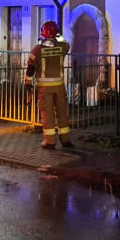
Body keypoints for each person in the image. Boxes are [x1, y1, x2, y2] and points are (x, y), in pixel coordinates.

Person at [25, 20, 73, 150]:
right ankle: (66, 140)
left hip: (44, 89)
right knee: (62, 113)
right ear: (55, 33)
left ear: (43, 33)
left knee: (47, 114)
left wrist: (28, 84)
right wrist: (58, 35)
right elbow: (67, 44)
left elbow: (30, 68)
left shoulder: (37, 49)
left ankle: (50, 142)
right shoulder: (62, 47)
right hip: (59, 86)